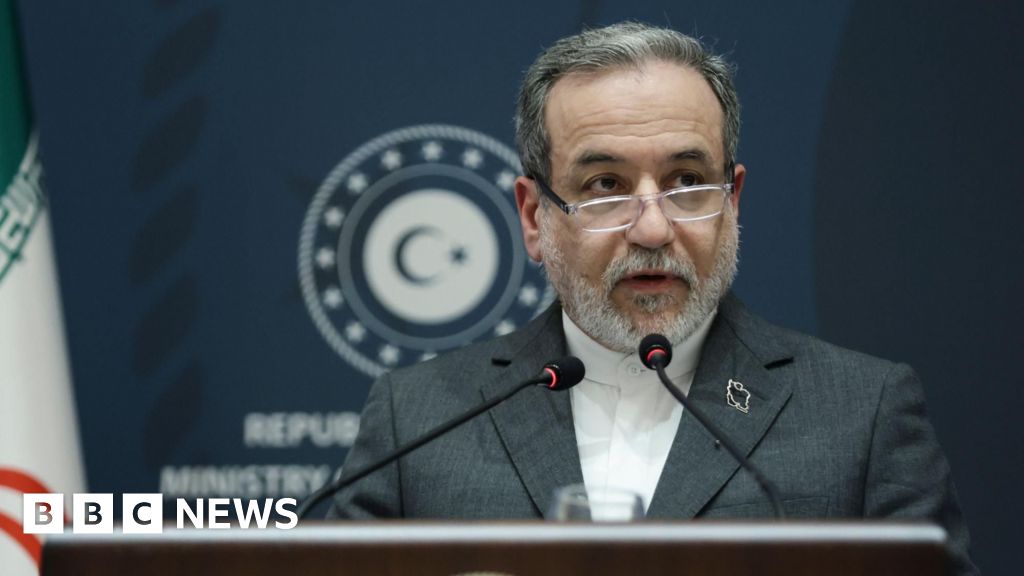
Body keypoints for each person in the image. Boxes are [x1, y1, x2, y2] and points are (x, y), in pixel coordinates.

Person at [330, 22, 976, 575]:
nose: (652, 228)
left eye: (687, 181)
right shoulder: (417, 420)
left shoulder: (863, 414)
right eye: (605, 185)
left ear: (733, 202)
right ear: (533, 217)